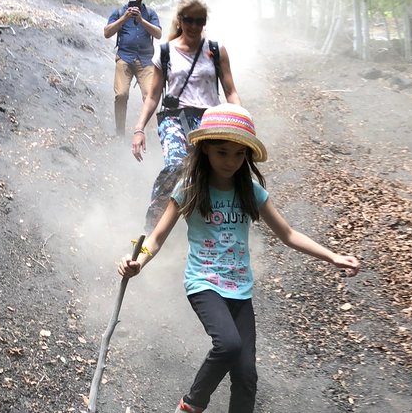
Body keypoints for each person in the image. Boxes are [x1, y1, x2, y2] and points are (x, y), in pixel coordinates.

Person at [119, 103, 361, 413]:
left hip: (240, 290)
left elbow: (288, 234)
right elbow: (156, 236)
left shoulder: (251, 190)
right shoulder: (190, 188)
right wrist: (137, 260)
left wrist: (332, 256)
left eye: (239, 154)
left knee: (247, 376)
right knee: (229, 345)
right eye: (222, 151)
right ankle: (191, 406)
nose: (231, 161)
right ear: (205, 149)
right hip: (204, 283)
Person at [129, 0, 241, 232]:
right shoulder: (166, 51)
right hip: (174, 118)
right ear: (179, 19)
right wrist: (139, 129)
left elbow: (230, 91)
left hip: (210, 118)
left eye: (200, 21)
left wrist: (241, 121)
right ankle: (153, 229)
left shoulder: (215, 49)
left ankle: (210, 223)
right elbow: (153, 95)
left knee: (213, 170)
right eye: (189, 20)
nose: (194, 26)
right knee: (177, 164)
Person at [104, 0, 162, 136]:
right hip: (125, 57)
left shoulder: (150, 13)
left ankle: (146, 132)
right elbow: (107, 33)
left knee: (150, 95)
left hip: (146, 60)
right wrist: (124, 18)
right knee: (121, 94)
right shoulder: (119, 11)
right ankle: (120, 132)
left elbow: (158, 34)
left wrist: (141, 20)